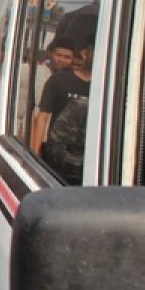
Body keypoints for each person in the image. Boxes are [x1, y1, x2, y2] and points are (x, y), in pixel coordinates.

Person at [32, 38, 93, 186]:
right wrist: (34, 155)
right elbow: (43, 117)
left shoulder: (105, 86)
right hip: (58, 157)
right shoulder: (58, 81)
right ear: (85, 54)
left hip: (89, 159)